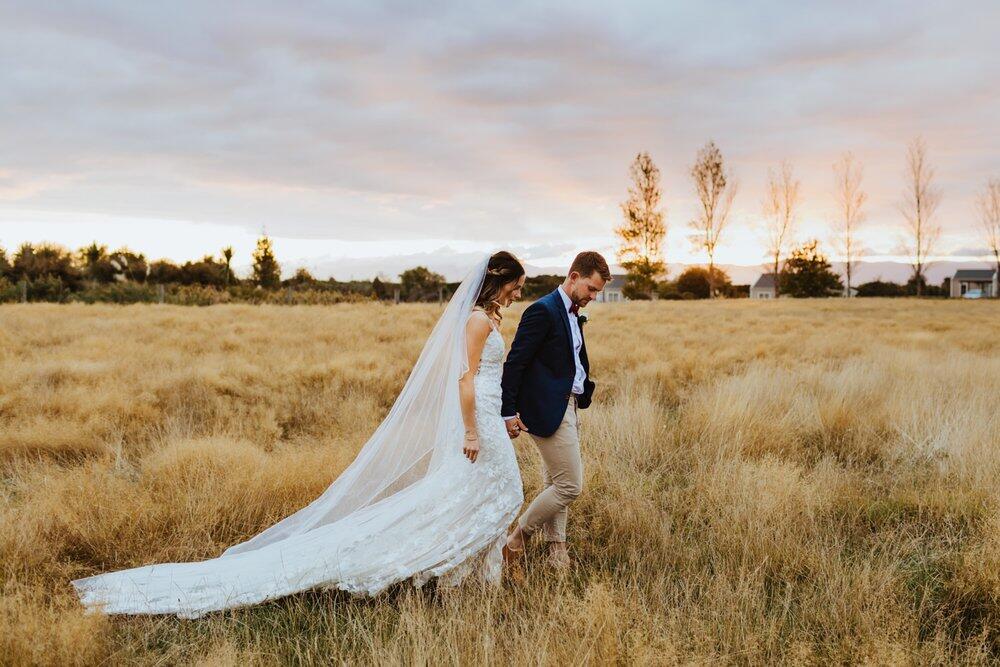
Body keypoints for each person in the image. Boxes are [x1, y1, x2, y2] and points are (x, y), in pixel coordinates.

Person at [72, 251, 527, 618]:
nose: (520, 293)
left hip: (490, 415)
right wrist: (471, 431)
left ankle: (466, 573)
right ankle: (440, 565)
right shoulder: (475, 321)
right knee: (497, 491)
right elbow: (464, 379)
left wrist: (500, 416)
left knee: (487, 493)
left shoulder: (488, 319)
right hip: (478, 422)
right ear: (499, 281)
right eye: (517, 285)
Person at [500, 251, 609, 569]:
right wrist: (508, 411)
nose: (593, 296)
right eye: (591, 288)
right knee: (569, 485)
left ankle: (556, 551)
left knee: (555, 481)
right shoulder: (542, 310)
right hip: (547, 408)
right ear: (574, 277)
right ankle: (516, 540)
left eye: (597, 292)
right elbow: (515, 363)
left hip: (568, 404)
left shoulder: (573, 312)